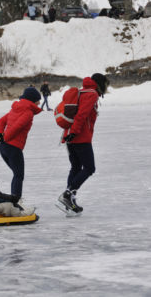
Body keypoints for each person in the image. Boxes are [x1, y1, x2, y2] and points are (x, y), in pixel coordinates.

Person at [57, 73, 110, 214]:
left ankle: (70, 200)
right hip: (80, 137)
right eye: (105, 84)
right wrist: (75, 131)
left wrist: (71, 133)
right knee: (89, 168)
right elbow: (81, 114)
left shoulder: (82, 92)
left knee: (75, 167)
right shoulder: (91, 94)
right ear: (100, 83)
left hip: (70, 135)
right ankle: (68, 194)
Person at [0, 87, 42, 200]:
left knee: (17, 174)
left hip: (4, 147)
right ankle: (16, 201)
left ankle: (14, 199)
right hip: (13, 148)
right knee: (18, 175)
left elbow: (1, 121)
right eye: (37, 100)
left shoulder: (16, 109)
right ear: (32, 100)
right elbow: (17, 127)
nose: (39, 103)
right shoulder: (28, 112)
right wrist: (3, 137)